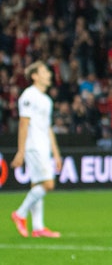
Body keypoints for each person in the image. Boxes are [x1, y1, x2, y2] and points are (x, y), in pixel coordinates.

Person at [10, 61, 63, 238]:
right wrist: (21, 150)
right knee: (48, 184)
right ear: (34, 76)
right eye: (44, 72)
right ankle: (20, 214)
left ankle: (38, 227)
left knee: (37, 185)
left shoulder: (46, 100)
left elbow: (48, 128)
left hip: (43, 145)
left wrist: (56, 153)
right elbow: (23, 123)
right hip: (33, 146)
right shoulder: (28, 95)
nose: (48, 74)